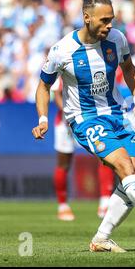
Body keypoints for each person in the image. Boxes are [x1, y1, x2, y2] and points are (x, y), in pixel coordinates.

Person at [32, 0, 135, 253]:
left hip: (117, 115)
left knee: (131, 176)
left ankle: (101, 239)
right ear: (87, 18)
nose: (109, 25)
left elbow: (129, 69)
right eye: (104, 20)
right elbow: (43, 86)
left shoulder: (117, 39)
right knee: (124, 167)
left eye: (112, 19)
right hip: (85, 119)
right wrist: (43, 118)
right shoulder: (62, 50)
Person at [50, 76, 115, 221]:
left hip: (91, 120)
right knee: (63, 164)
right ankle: (63, 206)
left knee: (104, 157)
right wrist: (68, 114)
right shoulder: (64, 62)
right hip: (67, 123)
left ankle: (105, 203)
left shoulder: (92, 66)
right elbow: (57, 94)